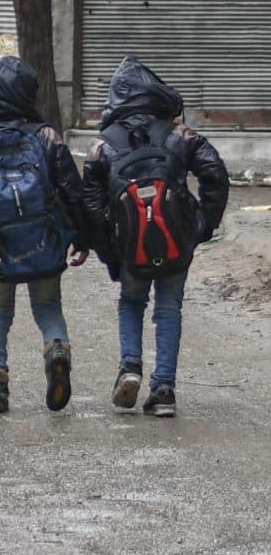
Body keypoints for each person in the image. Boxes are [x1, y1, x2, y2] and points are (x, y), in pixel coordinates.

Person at [82, 56, 229, 417]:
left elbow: (89, 203)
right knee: (169, 308)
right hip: (177, 239)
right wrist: (201, 225)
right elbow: (215, 174)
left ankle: (130, 367)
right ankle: (163, 390)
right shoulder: (179, 136)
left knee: (131, 302)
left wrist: (109, 250)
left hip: (131, 247)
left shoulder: (102, 145)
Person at [0, 56, 90, 414]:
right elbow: (74, 192)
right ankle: (57, 349)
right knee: (47, 307)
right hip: (45, 244)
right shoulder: (47, 139)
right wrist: (83, 238)